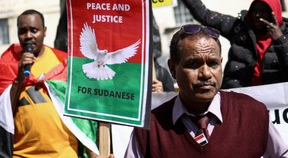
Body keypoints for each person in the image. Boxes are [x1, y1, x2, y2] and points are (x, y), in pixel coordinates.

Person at [124, 24, 288, 157]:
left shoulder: (253, 113)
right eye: (194, 64)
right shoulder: (149, 130)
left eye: (213, 63)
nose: (206, 74)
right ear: (173, 69)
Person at [0, 9, 100, 157]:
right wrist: (18, 80)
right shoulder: (7, 65)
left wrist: (93, 153)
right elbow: (3, 112)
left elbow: (82, 112)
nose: (28, 36)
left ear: (45, 31)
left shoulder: (63, 63)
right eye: (23, 31)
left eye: (34, 30)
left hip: (65, 154)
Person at [173, 0, 288, 89]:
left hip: (275, 101)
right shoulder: (238, 28)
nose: (257, 15)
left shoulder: (284, 36)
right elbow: (205, 15)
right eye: (254, 11)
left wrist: (280, 40)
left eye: (262, 11)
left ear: (274, 14)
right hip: (238, 97)